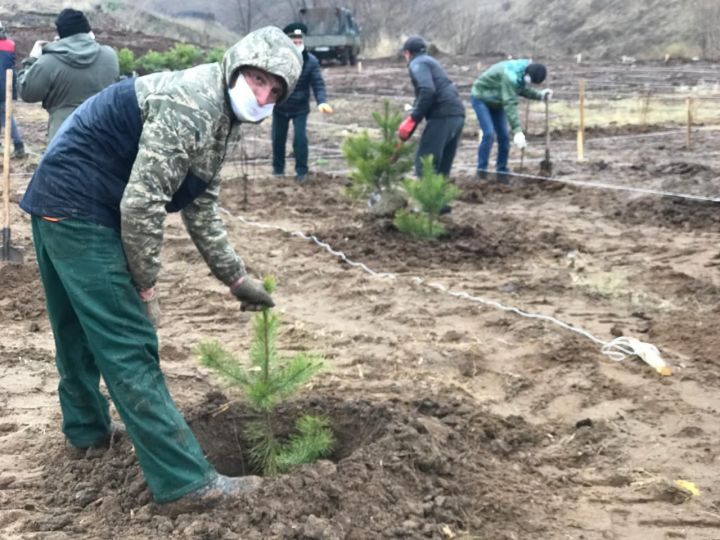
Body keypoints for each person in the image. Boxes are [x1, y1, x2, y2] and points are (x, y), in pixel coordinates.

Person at [19, 26, 301, 514]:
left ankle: (87, 434)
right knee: (129, 342)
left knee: (77, 329)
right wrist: (145, 287)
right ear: (237, 66)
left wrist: (235, 277)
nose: (262, 96)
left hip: (57, 199)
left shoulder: (221, 117)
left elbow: (201, 205)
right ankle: (185, 484)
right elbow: (144, 202)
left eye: (274, 90)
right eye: (258, 79)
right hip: (81, 205)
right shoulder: (193, 103)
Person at [18, 8, 119, 142]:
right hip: (103, 136)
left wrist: (32, 60)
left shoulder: (48, 62)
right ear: (88, 31)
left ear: (61, 35)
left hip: (64, 139)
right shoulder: (109, 56)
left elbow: (27, 92)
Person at [470, 59, 551, 181]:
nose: (530, 83)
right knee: (489, 134)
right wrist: (518, 131)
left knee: (504, 137)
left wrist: (540, 95)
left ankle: (501, 172)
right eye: (532, 81)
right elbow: (509, 103)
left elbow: (521, 89)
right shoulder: (510, 75)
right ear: (528, 75)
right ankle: (482, 172)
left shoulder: (523, 72)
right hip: (482, 98)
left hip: (497, 101)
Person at [271, 23, 333, 184]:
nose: (297, 43)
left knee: (300, 139)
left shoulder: (311, 61)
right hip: (280, 106)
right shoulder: (277, 59)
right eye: (293, 41)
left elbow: (318, 83)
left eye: (299, 41)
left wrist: (322, 101)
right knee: (278, 138)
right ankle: (278, 170)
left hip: (300, 108)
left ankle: (302, 171)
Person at [396, 35, 465, 178]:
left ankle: (428, 200)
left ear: (408, 53)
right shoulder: (431, 62)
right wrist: (412, 123)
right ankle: (439, 200)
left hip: (442, 115)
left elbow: (427, 90)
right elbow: (423, 98)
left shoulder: (417, 64)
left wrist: (412, 119)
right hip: (457, 115)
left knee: (425, 163)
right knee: (441, 169)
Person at [0, 21, 25, 159]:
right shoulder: (10, 45)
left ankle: (19, 145)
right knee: (5, 115)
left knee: (5, 117)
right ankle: (18, 146)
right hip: (6, 87)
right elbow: (12, 68)